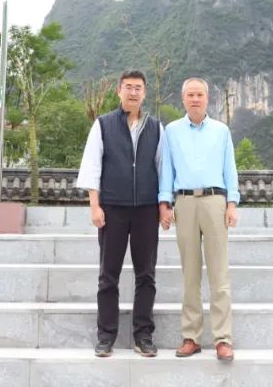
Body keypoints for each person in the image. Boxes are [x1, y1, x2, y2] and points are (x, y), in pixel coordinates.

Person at [75, 69, 164, 358]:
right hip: (112, 208)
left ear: (144, 93)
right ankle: (106, 336)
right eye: (128, 87)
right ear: (119, 90)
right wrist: (95, 205)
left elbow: (163, 168)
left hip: (146, 210)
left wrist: (164, 206)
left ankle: (143, 336)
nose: (133, 92)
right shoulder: (103, 124)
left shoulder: (156, 127)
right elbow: (92, 165)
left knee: (146, 275)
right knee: (108, 274)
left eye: (138, 88)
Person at [158, 77, 240, 362]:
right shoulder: (171, 131)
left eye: (199, 95)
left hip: (215, 201)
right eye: (190, 95)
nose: (195, 99)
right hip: (184, 203)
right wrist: (164, 204)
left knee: (219, 273)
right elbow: (166, 170)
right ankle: (191, 337)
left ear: (207, 98)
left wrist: (232, 204)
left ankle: (223, 339)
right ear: (183, 99)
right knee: (190, 273)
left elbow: (230, 169)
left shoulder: (221, 131)